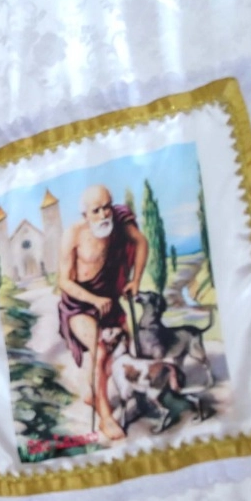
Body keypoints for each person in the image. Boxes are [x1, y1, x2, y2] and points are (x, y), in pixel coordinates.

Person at [57, 184, 149, 441]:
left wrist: (136, 281)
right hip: (80, 304)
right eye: (96, 210)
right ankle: (105, 417)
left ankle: (95, 391)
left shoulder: (119, 222)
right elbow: (64, 282)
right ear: (85, 214)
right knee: (101, 349)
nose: (104, 215)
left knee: (125, 345)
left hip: (108, 300)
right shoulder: (73, 235)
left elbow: (141, 242)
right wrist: (93, 299)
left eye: (107, 206)